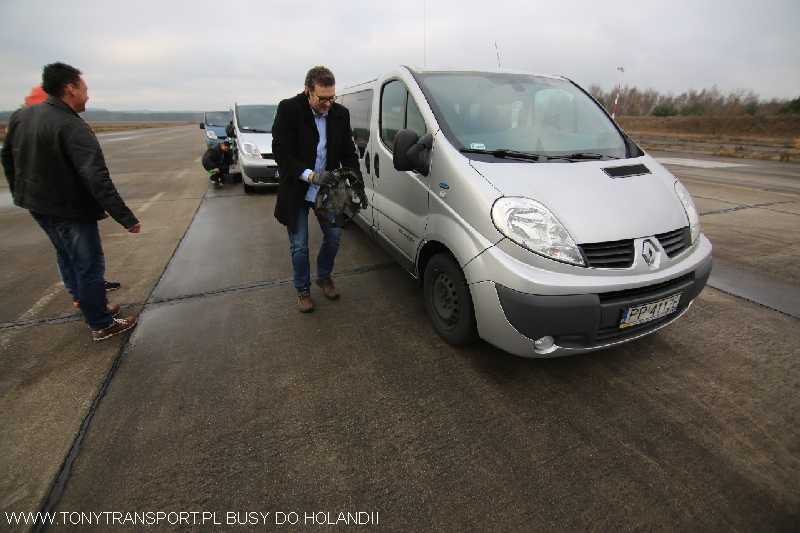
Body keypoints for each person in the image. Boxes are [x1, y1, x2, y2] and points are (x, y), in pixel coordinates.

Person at [1, 62, 140, 341]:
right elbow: (96, 178)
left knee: (66, 255)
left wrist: (20, 193)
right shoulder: (72, 126)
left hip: (38, 205)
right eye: (85, 89)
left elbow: (7, 157)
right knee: (88, 265)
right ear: (70, 89)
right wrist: (126, 218)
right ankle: (101, 323)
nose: (88, 96)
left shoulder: (22, 116)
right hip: (69, 209)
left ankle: (85, 303)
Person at [272, 65, 360, 313]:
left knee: (334, 236)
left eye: (332, 97)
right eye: (322, 98)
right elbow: (281, 151)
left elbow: (348, 152)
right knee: (299, 245)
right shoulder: (289, 109)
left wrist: (356, 182)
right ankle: (303, 289)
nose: (328, 104)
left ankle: (324, 275)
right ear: (308, 91)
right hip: (297, 190)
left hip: (327, 191)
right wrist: (309, 176)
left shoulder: (340, 114)